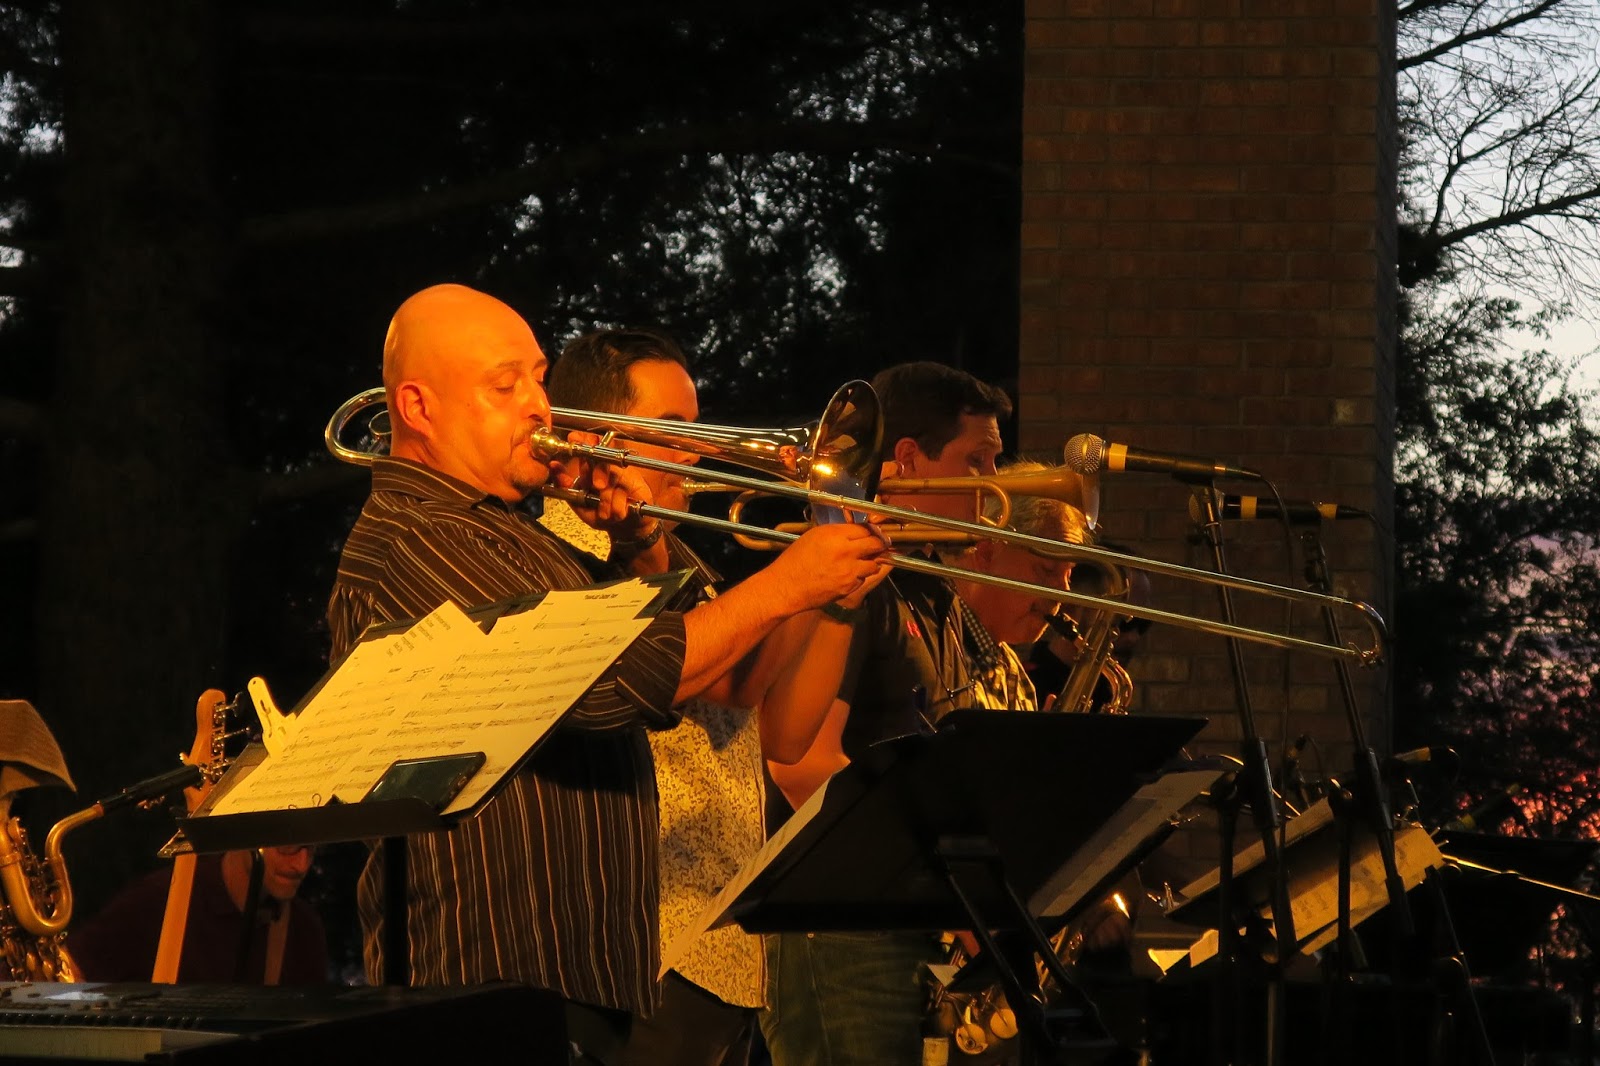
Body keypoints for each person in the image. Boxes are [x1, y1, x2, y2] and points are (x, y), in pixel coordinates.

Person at [327, 283, 888, 1064]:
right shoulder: (424, 536)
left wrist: (637, 546)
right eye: (505, 386)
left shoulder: (507, 532)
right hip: (492, 977)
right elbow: (611, 686)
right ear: (417, 409)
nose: (539, 406)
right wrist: (792, 582)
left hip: (573, 976)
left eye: (537, 376)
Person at [542, 327, 883, 1066]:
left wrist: (834, 594)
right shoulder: (569, 549)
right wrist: (793, 577)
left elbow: (777, 727)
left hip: (720, 946)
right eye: (673, 433)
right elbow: (705, 678)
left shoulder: (683, 557)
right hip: (639, 952)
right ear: (598, 438)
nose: (699, 455)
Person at [760, 360, 1015, 1066]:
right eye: (979, 460)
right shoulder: (855, 580)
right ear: (908, 460)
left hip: (897, 909)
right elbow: (802, 762)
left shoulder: (934, 592)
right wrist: (945, 877)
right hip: (840, 923)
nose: (999, 486)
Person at [70, 845, 328, 985]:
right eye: (289, 847)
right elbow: (71, 974)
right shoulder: (161, 899)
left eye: (312, 849)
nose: (302, 865)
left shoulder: (304, 929)